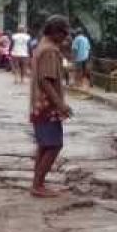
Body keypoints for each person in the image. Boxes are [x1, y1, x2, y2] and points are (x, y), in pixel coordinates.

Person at [29, 15, 73, 197]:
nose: (66, 37)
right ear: (55, 32)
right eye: (64, 33)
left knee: (44, 145)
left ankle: (37, 183)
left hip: (39, 104)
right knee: (54, 145)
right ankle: (38, 185)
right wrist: (60, 104)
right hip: (47, 106)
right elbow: (46, 81)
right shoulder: (49, 51)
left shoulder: (42, 47)